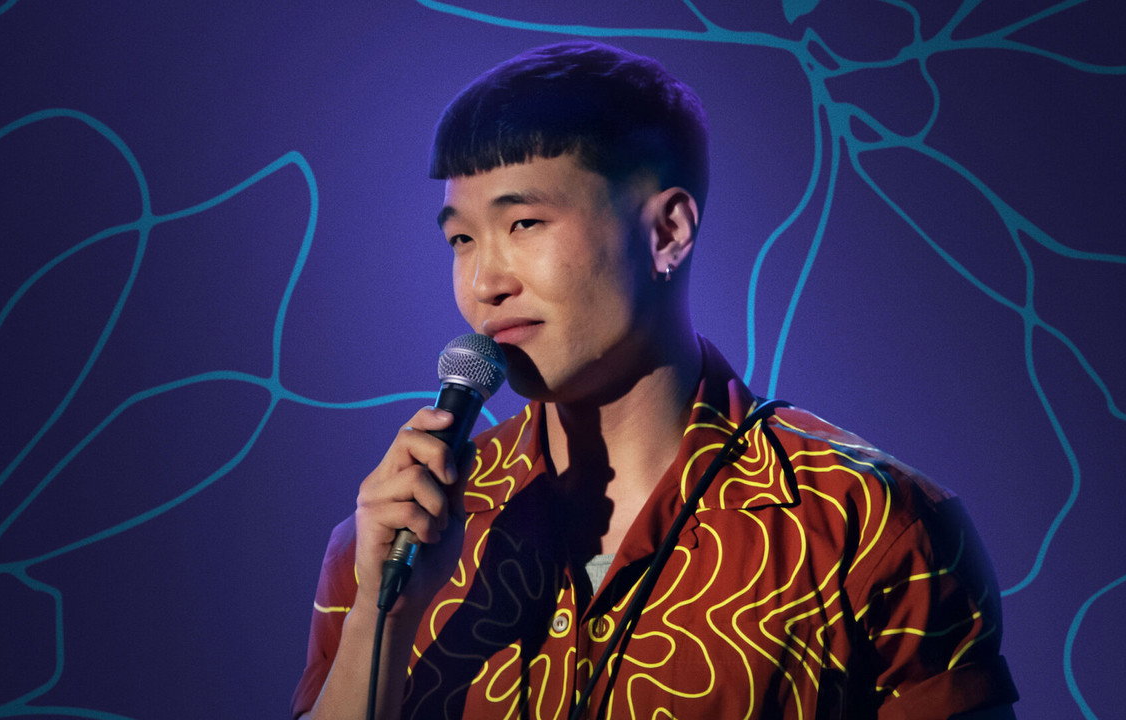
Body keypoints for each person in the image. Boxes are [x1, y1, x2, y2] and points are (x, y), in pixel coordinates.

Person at [292, 41, 1018, 719]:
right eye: (461, 239)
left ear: (668, 232)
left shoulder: (869, 523)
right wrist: (382, 616)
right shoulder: (393, 538)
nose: (484, 282)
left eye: (524, 224)